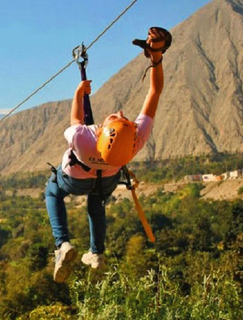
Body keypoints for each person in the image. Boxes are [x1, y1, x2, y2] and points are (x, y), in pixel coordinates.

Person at [45, 27, 169, 283]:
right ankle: (97, 253)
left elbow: (76, 118)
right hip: (106, 180)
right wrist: (156, 58)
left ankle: (62, 244)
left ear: (102, 130)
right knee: (96, 202)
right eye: (124, 118)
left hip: (75, 179)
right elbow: (154, 92)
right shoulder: (135, 142)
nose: (121, 113)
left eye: (116, 118)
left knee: (53, 191)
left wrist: (79, 93)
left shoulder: (83, 137)